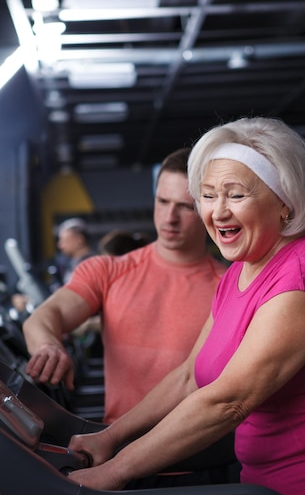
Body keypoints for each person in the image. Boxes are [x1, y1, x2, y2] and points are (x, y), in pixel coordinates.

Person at [66, 116, 305, 495]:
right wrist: (109, 437)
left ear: (285, 203)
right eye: (209, 195)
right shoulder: (239, 273)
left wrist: (113, 473)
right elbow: (188, 379)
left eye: (236, 194)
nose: (218, 212)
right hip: (269, 492)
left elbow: (228, 400)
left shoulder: (304, 275)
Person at [22, 148, 227, 424]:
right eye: (162, 201)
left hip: (201, 454)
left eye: (185, 206)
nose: (169, 218)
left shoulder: (231, 286)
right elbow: (44, 317)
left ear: (208, 208)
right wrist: (49, 346)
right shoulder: (108, 270)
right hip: (117, 448)